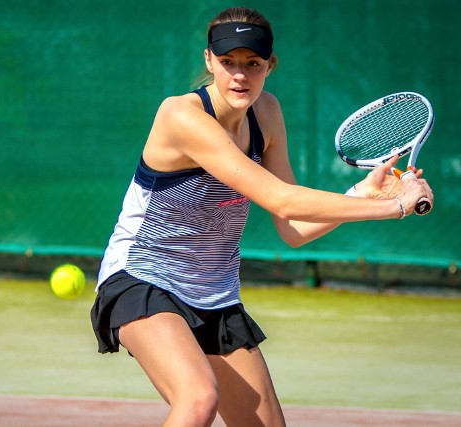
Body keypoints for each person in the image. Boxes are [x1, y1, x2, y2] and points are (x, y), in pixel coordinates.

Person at [90, 6, 433, 427]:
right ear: (208, 61)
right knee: (198, 398)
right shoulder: (181, 115)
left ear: (269, 66)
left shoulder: (266, 113)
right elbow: (282, 200)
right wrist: (393, 206)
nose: (239, 75)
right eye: (228, 62)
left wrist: (361, 192)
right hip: (142, 277)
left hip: (215, 293)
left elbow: (293, 229)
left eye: (252, 64)